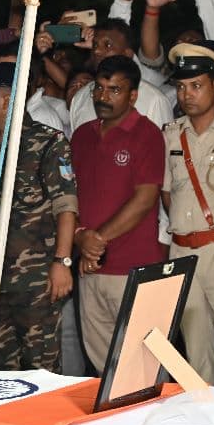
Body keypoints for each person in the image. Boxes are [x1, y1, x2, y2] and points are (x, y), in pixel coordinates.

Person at [0, 64, 78, 370]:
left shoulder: (49, 142)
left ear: (8, 100)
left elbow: (66, 206)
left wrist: (62, 262)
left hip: (35, 279)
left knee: (41, 368)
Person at [70, 55, 165, 372]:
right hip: (90, 267)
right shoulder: (82, 136)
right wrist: (81, 237)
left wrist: (96, 240)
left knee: (144, 363)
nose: (103, 97)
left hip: (134, 267)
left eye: (114, 90)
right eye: (99, 88)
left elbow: (145, 199)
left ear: (133, 95)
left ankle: (152, 421)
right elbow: (70, 195)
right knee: (102, 365)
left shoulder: (147, 134)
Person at [162, 41, 214, 388]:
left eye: (196, 85)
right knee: (196, 347)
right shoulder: (169, 135)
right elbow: (167, 193)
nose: (187, 94)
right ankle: (205, 418)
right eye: (181, 87)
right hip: (182, 250)